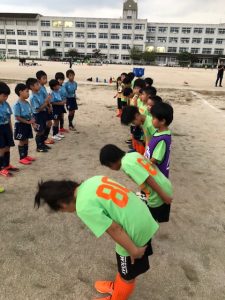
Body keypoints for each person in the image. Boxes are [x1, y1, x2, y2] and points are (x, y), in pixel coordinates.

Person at [34, 176, 159, 300]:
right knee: (123, 266)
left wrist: (133, 250)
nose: (64, 212)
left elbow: (114, 229)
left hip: (135, 229)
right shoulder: (93, 180)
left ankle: (117, 296)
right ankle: (117, 287)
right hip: (142, 215)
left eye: (60, 210)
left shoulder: (83, 206)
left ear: (61, 204)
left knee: (127, 274)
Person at [100, 144, 173, 223]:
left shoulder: (126, 165)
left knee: (150, 221)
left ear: (110, 163)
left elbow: (148, 178)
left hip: (158, 195)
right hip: (164, 184)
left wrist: (163, 196)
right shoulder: (132, 154)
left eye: (108, 166)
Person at [145, 102, 173, 178]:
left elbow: (155, 159)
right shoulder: (159, 132)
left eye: (153, 118)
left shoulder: (162, 139)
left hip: (157, 177)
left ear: (162, 121)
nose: (151, 120)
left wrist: (142, 165)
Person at [13, 83, 36, 165]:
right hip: (20, 125)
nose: (28, 93)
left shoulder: (27, 103)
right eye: (26, 91)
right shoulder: (17, 104)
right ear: (20, 92)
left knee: (26, 140)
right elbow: (17, 117)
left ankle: (26, 156)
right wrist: (28, 122)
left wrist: (32, 123)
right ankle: (22, 158)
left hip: (27, 124)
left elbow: (30, 114)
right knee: (22, 141)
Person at [26, 78, 50, 152]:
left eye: (38, 84)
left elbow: (43, 103)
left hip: (43, 113)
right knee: (40, 131)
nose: (39, 85)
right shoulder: (33, 97)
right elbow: (37, 109)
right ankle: (39, 147)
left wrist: (47, 106)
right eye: (37, 84)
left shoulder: (39, 93)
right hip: (38, 115)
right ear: (31, 87)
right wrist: (46, 102)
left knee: (44, 128)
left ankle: (42, 144)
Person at [0, 82, 19, 177]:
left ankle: (6, 165)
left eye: (7, 96)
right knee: (1, 149)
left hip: (6, 127)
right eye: (4, 96)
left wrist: (11, 130)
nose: (5, 98)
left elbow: (8, 118)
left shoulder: (6, 104)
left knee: (8, 146)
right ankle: (1, 168)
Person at [36, 70, 54, 145]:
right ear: (38, 79)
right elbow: (42, 100)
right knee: (45, 125)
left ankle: (45, 138)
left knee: (49, 123)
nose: (45, 80)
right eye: (43, 78)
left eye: (46, 78)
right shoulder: (39, 88)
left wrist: (50, 106)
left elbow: (47, 98)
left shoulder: (43, 87)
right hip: (44, 108)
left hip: (47, 107)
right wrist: (48, 107)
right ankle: (43, 139)